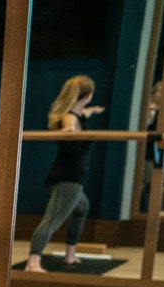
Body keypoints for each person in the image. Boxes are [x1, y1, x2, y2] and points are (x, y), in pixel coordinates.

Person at [23, 74, 104, 273]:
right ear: (87, 95)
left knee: (82, 207)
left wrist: (92, 111)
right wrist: (68, 130)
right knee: (51, 221)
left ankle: (70, 255)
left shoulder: (79, 113)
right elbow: (69, 124)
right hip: (66, 179)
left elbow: (83, 114)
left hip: (72, 178)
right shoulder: (69, 118)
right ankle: (33, 262)